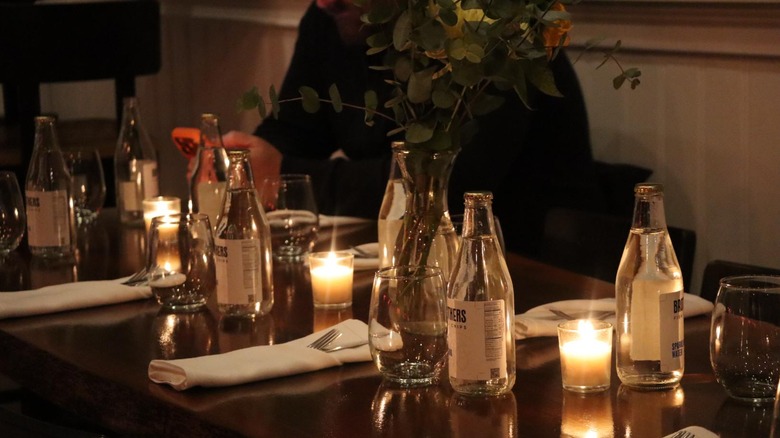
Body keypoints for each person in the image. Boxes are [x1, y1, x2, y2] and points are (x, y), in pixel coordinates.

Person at [222, 0, 609, 257]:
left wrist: (283, 174)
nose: (324, 1)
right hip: (413, 257)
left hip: (535, 272)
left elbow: (443, 186)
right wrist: (247, 157)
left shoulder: (488, 33)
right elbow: (297, 129)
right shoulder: (332, 17)